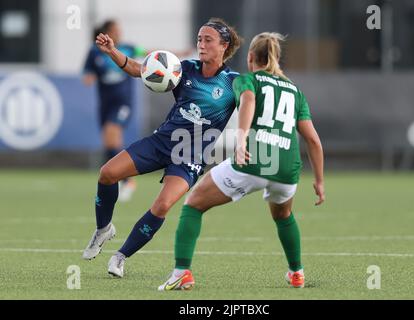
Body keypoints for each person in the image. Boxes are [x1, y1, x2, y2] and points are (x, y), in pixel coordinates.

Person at [158, 32, 325, 291]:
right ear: (276, 58)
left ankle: (181, 272)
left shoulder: (248, 80)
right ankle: (297, 273)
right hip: (287, 169)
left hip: (255, 161)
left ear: (250, 58)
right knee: (283, 215)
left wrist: (242, 139)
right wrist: (319, 181)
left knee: (193, 204)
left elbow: (248, 100)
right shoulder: (295, 90)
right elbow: (313, 141)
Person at [81, 18, 243, 279]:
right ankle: (103, 229)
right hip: (162, 142)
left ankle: (120, 257)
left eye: (208, 40)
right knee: (107, 173)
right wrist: (112, 51)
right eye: (199, 39)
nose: (201, 44)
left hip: (190, 156)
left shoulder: (234, 82)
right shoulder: (185, 68)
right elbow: (138, 69)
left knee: (163, 204)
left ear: (224, 45)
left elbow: (255, 105)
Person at [83, 20, 145, 202]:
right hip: (106, 104)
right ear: (107, 33)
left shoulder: (128, 49)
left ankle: (127, 180)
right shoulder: (95, 52)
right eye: (115, 30)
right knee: (109, 143)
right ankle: (118, 178)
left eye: (119, 30)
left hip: (123, 103)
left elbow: (149, 52)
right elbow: (88, 72)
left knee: (112, 136)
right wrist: (89, 76)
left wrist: (178, 54)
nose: (119, 33)